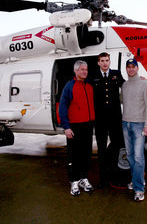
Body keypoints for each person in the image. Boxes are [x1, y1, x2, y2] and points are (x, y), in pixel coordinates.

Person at [59, 60, 95, 196]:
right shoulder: (69, 86)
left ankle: (83, 178)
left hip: (88, 125)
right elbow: (63, 107)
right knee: (74, 154)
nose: (84, 72)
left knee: (86, 154)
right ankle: (74, 181)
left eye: (86, 69)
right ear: (76, 71)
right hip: (74, 126)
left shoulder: (89, 86)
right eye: (81, 69)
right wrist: (66, 127)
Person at [91, 52, 126, 187]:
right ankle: (103, 178)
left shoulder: (116, 74)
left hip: (115, 118)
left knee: (116, 146)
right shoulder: (93, 76)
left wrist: (139, 80)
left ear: (109, 61)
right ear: (98, 63)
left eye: (107, 60)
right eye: (102, 61)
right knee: (101, 147)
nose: (105, 63)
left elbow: (126, 86)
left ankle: (114, 174)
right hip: (100, 119)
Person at [121, 58, 147, 202]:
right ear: (126, 69)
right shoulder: (125, 85)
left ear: (137, 68)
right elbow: (122, 100)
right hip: (125, 123)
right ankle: (136, 179)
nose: (131, 69)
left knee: (139, 157)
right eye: (128, 67)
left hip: (139, 125)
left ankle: (139, 189)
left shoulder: (144, 84)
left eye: (133, 67)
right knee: (130, 156)